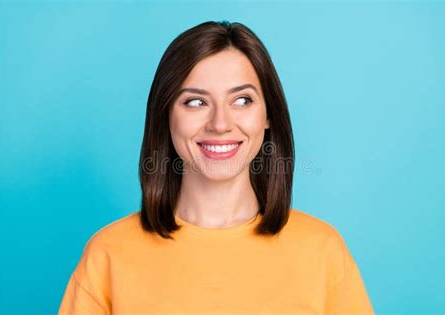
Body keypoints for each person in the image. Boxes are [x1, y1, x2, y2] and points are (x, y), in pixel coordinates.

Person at [58, 20, 374, 314]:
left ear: (268, 116)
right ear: (166, 117)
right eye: (196, 102)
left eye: (242, 100)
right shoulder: (108, 255)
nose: (220, 124)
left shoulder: (322, 252)